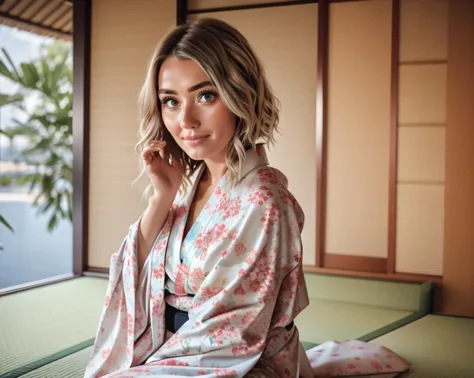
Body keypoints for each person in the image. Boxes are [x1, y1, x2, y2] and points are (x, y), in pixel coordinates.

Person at [84, 18, 410, 378]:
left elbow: (231, 335)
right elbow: (131, 275)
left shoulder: (264, 201)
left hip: (237, 362)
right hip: (170, 348)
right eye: (171, 101)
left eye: (206, 95)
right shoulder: (190, 184)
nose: (186, 120)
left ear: (242, 93)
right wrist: (161, 196)